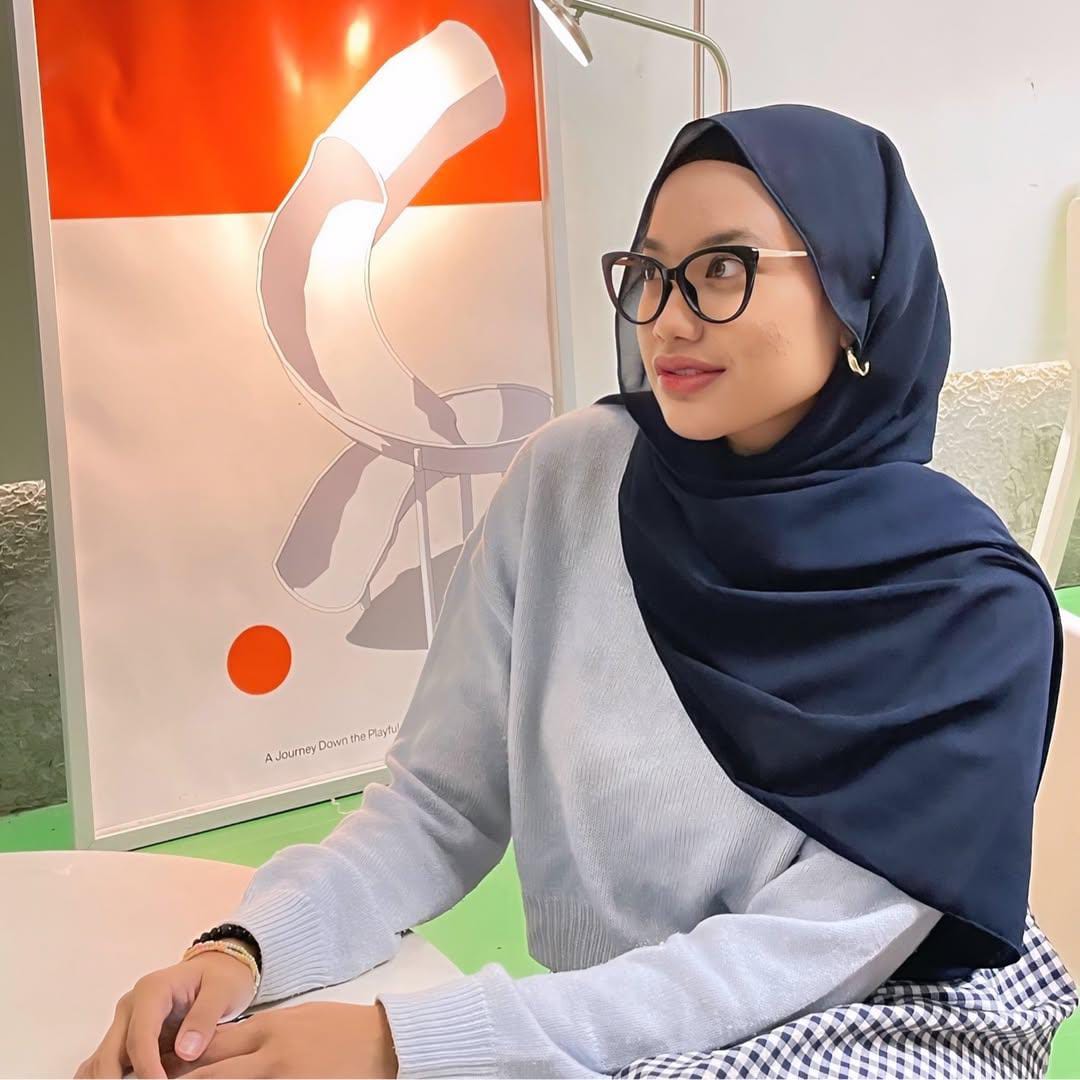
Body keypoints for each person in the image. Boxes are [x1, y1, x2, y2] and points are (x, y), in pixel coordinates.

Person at [75, 105, 1076, 1080]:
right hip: (601, 1028)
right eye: (649, 272)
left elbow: (791, 958)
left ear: (859, 294)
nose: (667, 317)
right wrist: (244, 950)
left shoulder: (973, 611)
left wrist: (403, 1045)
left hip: (867, 1027)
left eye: (722, 269)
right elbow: (438, 804)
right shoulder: (574, 474)